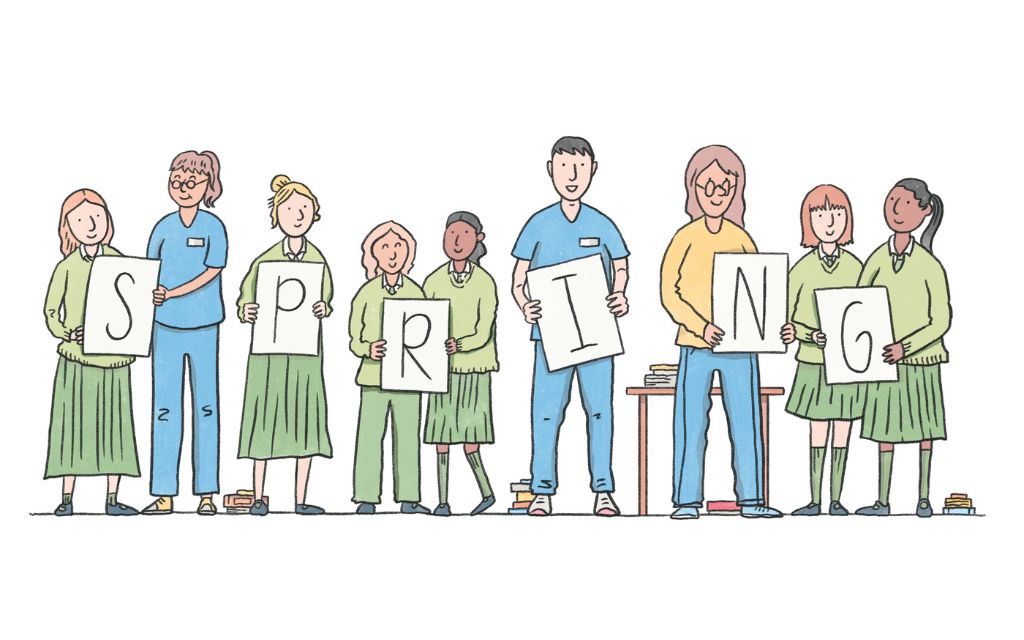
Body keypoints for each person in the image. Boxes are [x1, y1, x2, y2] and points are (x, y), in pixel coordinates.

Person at [659, 144, 782, 519]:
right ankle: (686, 500)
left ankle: (752, 498)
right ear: (693, 188)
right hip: (695, 346)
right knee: (690, 422)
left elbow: (759, 290)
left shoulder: (741, 238)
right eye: (707, 187)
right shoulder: (684, 237)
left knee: (746, 420)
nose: (715, 195)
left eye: (724, 188)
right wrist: (701, 326)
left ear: (735, 191)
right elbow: (669, 293)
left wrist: (772, 327)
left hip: (741, 346)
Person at [511, 136, 629, 517]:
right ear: (551, 171)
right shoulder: (538, 224)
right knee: (546, 412)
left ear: (593, 170)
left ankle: (603, 490)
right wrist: (525, 305)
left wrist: (619, 294)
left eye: (580, 167)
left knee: (600, 411)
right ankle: (542, 489)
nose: (572, 176)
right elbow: (518, 279)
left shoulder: (603, 224)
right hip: (551, 336)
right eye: (564, 167)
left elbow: (621, 266)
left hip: (597, 335)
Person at [236, 175, 334, 516]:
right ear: (277, 214)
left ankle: (300, 499)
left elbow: (327, 297)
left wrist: (323, 307)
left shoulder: (318, 260)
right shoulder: (264, 261)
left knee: (304, 420)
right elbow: (245, 296)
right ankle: (258, 496)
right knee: (265, 419)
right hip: (268, 355)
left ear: (314, 214)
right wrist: (246, 310)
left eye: (304, 208)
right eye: (290, 208)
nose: (297, 215)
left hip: (305, 354)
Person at [855, 179, 950, 518]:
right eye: (892, 200)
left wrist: (905, 347)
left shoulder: (929, 265)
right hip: (883, 362)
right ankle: (883, 500)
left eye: (907, 203)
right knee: (885, 429)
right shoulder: (877, 259)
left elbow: (940, 321)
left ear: (925, 212)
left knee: (924, 429)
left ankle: (923, 498)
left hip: (921, 361)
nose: (896, 209)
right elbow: (858, 303)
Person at [43, 189, 140, 516]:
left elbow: (133, 302)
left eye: (97, 216)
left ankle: (112, 498)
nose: (91, 224)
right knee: (72, 426)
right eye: (81, 219)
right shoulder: (67, 267)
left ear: (107, 220)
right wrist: (67, 332)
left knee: (114, 427)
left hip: (114, 360)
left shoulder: (119, 261)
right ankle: (67, 498)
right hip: (77, 359)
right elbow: (51, 311)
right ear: (68, 227)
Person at [143, 150, 227, 516]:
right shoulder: (163, 227)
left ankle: (207, 491)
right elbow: (147, 273)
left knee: (206, 407)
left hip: (204, 325)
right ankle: (164, 491)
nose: (184, 187)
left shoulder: (213, 227)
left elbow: (212, 271)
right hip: (165, 327)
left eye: (192, 181)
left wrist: (172, 293)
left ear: (208, 186)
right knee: (164, 408)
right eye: (177, 180)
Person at [780, 184, 864, 516]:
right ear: (808, 221)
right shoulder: (801, 270)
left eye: (837, 214)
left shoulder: (857, 267)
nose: (829, 222)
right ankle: (815, 499)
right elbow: (785, 322)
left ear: (847, 220)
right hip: (813, 363)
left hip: (848, 365)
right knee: (817, 429)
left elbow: (867, 313)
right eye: (820, 214)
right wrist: (808, 334)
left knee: (843, 428)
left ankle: (836, 499)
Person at [348, 221, 431, 514]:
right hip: (373, 376)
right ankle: (366, 497)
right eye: (384, 247)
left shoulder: (416, 292)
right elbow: (354, 339)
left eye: (398, 246)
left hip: (410, 377)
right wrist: (368, 349)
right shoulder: (366, 293)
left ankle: (409, 498)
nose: (392, 254)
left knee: (408, 437)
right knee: (369, 437)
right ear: (373, 254)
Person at [423, 212, 498, 516]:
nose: (456, 240)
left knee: (470, 439)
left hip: (474, 369)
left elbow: (484, 330)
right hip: (441, 372)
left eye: (464, 233)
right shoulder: (433, 281)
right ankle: (442, 501)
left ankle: (487, 493)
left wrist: (460, 344)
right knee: (441, 438)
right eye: (451, 233)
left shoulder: (484, 282)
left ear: (477, 239)